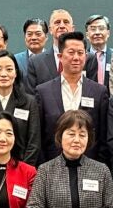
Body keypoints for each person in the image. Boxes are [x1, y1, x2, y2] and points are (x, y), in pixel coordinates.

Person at [35, 32, 109, 163]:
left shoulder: (99, 92)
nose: (76, 58)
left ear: (85, 57)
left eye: (80, 53)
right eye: (71, 52)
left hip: (89, 166)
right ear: (60, 56)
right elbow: (38, 137)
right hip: (52, 166)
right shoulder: (43, 91)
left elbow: (102, 138)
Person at [26, 9, 97, 92]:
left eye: (66, 22)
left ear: (72, 28)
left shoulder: (88, 58)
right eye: (57, 22)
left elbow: (92, 91)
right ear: (50, 29)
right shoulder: (36, 62)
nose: (62, 26)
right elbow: (32, 97)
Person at [86, 14, 113, 88]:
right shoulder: (82, 58)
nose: (97, 33)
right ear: (87, 35)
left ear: (108, 33)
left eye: (101, 28)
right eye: (93, 29)